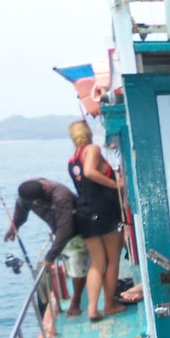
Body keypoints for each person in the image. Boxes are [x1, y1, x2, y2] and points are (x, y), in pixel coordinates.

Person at [67, 120, 127, 322]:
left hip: (85, 215)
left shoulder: (72, 159)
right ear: (88, 133)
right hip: (105, 214)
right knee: (112, 262)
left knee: (97, 263)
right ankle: (109, 305)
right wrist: (116, 183)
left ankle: (92, 308)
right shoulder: (91, 149)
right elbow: (90, 172)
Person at [4, 178, 89, 317]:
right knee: (70, 256)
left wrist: (50, 257)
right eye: (45, 187)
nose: (47, 186)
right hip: (59, 228)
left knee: (76, 260)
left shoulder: (61, 197)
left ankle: (76, 301)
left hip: (77, 229)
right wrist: (15, 226)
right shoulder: (28, 196)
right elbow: (21, 206)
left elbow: (66, 229)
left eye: (45, 186)